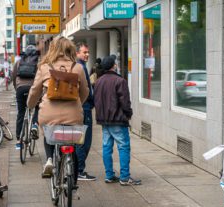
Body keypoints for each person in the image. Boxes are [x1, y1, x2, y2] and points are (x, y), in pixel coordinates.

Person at [27, 37, 89, 178]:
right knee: (72, 142)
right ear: (70, 50)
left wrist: (30, 105)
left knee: (49, 133)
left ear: (52, 49)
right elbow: (85, 92)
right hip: (73, 115)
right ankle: (72, 171)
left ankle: (49, 159)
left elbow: (35, 91)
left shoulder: (45, 67)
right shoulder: (77, 67)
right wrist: (78, 103)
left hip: (49, 115)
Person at [94, 55, 142, 186]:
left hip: (104, 120)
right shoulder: (120, 81)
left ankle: (109, 175)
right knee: (123, 147)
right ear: (113, 66)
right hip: (118, 120)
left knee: (106, 147)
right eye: (115, 63)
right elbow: (125, 102)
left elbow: (96, 100)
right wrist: (129, 114)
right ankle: (125, 177)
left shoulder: (98, 81)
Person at [75, 42, 96, 181]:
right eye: (84, 52)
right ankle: (80, 170)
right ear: (77, 53)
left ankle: (75, 169)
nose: (87, 54)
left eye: (88, 52)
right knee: (84, 141)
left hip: (76, 107)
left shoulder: (75, 66)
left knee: (78, 139)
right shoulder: (81, 67)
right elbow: (86, 89)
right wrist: (91, 102)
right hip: (85, 107)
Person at [12, 45, 39, 149]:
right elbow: (39, 78)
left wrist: (17, 88)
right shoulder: (37, 63)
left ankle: (19, 141)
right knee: (37, 106)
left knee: (21, 113)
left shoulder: (18, 62)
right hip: (32, 89)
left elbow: (14, 76)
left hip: (20, 89)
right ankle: (34, 125)